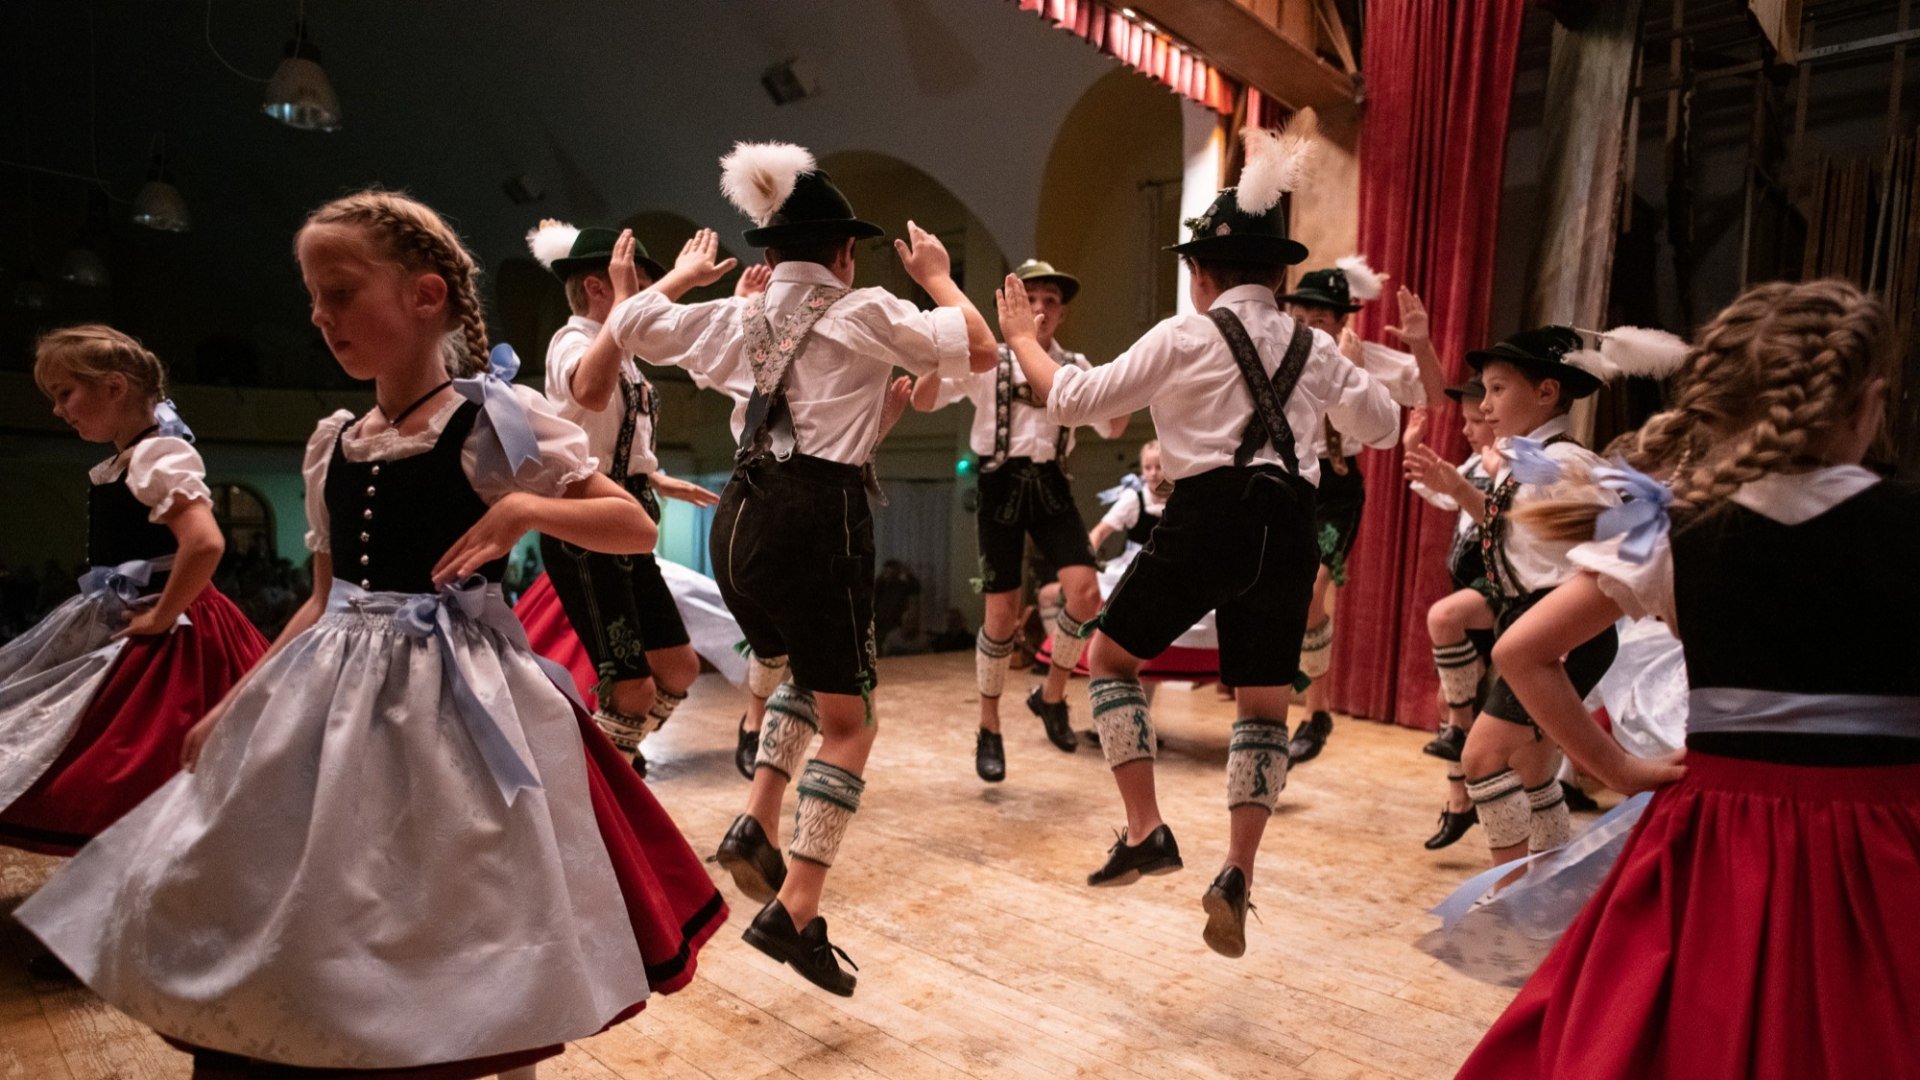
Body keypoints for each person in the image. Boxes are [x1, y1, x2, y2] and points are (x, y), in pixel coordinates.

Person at [18, 190, 726, 1080]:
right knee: (317, 897)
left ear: (426, 296)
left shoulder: (493, 420)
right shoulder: (334, 443)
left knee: (471, 896)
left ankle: (489, 1045)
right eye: (312, 298)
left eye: (342, 292)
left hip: (457, 699)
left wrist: (523, 509)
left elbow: (632, 525)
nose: (321, 317)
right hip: (332, 687)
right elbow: (321, 599)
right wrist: (239, 700)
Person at [1458, 279, 1917, 1078]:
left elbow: (1520, 652)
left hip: (1719, 845)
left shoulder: (1676, 531)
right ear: (1868, 401)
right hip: (1891, 840)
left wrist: (1621, 771)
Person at [585, 142, 997, 995]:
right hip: (818, 522)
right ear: (845, 252)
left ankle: (755, 820)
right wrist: (939, 277)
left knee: (808, 680)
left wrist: (673, 284)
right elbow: (983, 351)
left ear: (768, 255)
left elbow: (627, 329)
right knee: (854, 727)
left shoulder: (740, 316)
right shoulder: (866, 308)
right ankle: (797, 908)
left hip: (736, 518)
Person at [998, 116, 1398, 957]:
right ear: (1275, 275)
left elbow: (1074, 401)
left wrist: (1026, 343)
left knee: (1107, 661)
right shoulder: (1311, 344)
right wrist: (1342, 368)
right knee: (1262, 704)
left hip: (1208, 515)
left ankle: (1146, 828)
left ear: (1202, 274)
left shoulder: (1186, 334)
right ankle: (1238, 871)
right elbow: (1387, 427)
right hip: (1290, 525)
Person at [0, 327, 268, 978]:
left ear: (114, 387)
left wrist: (163, 615)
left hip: (170, 631)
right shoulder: (134, 456)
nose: (59, 410)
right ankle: (126, 918)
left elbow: (203, 544)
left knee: (127, 778)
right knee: (107, 769)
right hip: (135, 616)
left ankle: (123, 926)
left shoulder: (157, 455)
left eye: (66, 394)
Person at [511, 219, 726, 777]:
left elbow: (616, 435)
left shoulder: (624, 355)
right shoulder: (573, 340)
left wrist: (656, 478)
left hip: (628, 519)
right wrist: (676, 282)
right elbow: (587, 391)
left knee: (678, 669)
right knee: (628, 690)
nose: (645, 296)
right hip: (585, 525)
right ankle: (605, 787)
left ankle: (614, 761)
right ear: (597, 286)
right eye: (634, 282)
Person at [911, 257, 1128, 782]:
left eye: (1051, 301)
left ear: (1061, 313)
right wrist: (934, 358)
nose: (1041, 308)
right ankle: (989, 726)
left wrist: (1127, 384)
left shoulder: (1074, 366)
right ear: (1010, 306)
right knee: (1001, 616)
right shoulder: (989, 359)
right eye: (1030, 298)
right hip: (998, 484)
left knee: (1085, 593)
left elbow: (1116, 429)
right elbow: (923, 401)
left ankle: (1050, 695)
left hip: (1052, 484)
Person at [1455, 326, 1619, 873]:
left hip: (1561, 631)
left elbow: (1615, 537)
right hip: (1533, 626)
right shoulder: (1532, 459)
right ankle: (1545, 885)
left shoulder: (1566, 464)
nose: (1485, 404)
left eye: (1498, 389)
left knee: (1481, 757)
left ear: (1547, 392)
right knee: (1530, 765)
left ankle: (1512, 892)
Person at [1277, 263, 1446, 764]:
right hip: (1289, 481)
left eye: (1321, 316)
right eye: (1301, 314)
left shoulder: (1367, 358)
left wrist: (1420, 343)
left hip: (1338, 485)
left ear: (1342, 318)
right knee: (1284, 599)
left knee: (1311, 593)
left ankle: (1316, 712)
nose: (1309, 324)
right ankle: (1286, 711)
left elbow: (1434, 395)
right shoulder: (1281, 356)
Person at [1403, 377, 1499, 849]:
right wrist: (1416, 455)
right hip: (1466, 587)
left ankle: (1482, 792)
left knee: (1472, 704)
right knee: (1448, 700)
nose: (1467, 429)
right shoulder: (1472, 462)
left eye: (1477, 421)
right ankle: (1459, 803)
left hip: (1494, 591)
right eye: (1465, 421)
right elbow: (1447, 495)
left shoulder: (1512, 466)